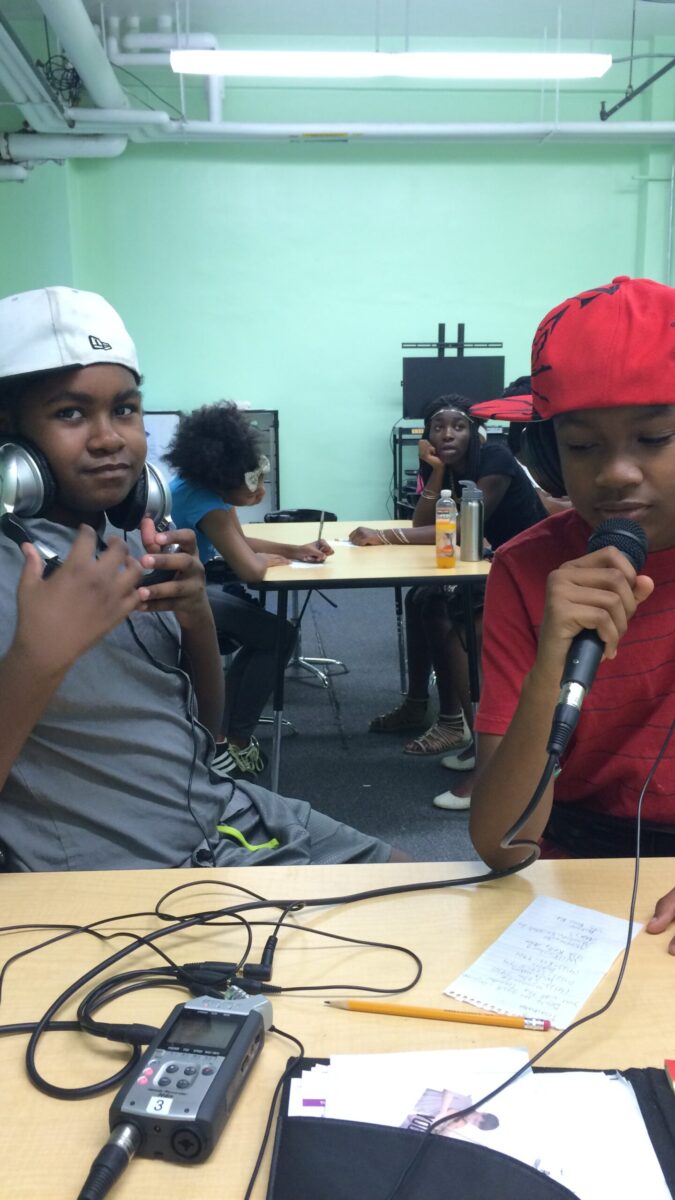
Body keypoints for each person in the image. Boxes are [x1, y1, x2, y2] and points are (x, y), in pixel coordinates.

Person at [0, 285, 404, 872]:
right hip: (128, 869)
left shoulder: (130, 541)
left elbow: (206, 733)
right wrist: (37, 660)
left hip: (226, 817)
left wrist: (195, 618)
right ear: (12, 443)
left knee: (433, 889)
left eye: (124, 409)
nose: (110, 437)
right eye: (70, 413)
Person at [468, 275, 675, 953]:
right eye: (582, 447)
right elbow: (502, 841)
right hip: (573, 884)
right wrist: (552, 659)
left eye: (652, 437)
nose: (614, 472)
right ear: (547, 461)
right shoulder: (527, 571)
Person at [350, 395, 546, 810]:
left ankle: (487, 760)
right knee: (423, 598)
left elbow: (458, 527)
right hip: (489, 564)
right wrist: (436, 471)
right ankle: (432, 713)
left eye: (457, 426)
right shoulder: (445, 465)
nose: (447, 434)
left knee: (452, 622)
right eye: (438, 427)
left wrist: (383, 536)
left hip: (528, 571)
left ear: (473, 431)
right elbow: (425, 522)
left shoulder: (494, 459)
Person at [164, 402, 333, 778]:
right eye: (254, 481)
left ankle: (225, 729)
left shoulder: (200, 490)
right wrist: (275, 562)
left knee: (267, 635)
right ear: (226, 474)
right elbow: (249, 567)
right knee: (278, 635)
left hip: (182, 587)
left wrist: (293, 550)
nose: (259, 491)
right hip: (177, 597)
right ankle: (232, 738)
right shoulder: (208, 502)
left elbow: (240, 540)